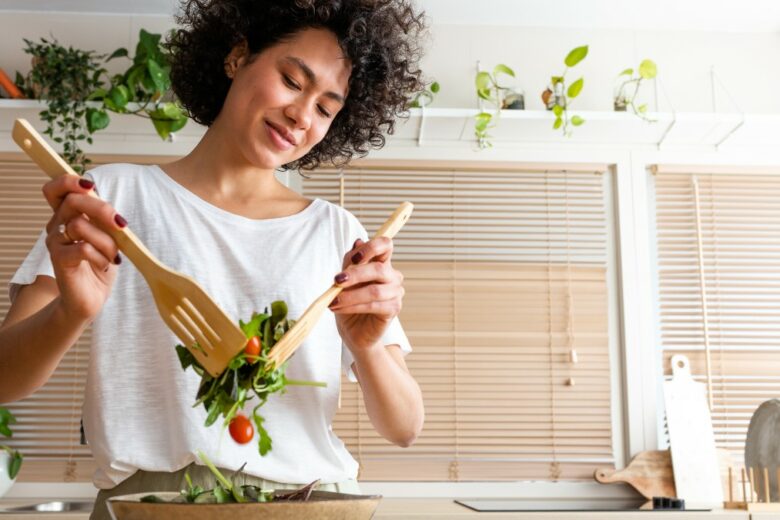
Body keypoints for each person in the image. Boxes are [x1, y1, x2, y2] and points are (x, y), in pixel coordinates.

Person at [0, 1, 426, 518]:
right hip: (150, 503)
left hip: (307, 502)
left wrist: (370, 345)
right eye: (292, 81)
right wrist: (73, 311)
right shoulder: (112, 198)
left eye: (324, 109)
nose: (301, 115)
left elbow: (405, 427)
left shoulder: (336, 233)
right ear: (237, 56)